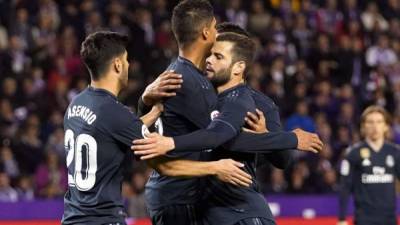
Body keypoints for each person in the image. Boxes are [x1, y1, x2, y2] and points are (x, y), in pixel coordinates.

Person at [63, 30, 250, 225]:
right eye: (126, 60)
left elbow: (107, 132)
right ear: (117, 65)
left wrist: (152, 113)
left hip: (72, 217)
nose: (128, 65)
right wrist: (215, 167)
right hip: (102, 219)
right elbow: (165, 165)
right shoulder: (115, 112)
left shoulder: (76, 104)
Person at [134, 32, 323, 225]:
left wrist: (277, 136)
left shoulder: (250, 102)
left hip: (242, 208)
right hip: (206, 209)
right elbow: (175, 127)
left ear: (238, 66)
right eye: (209, 54)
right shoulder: (200, 94)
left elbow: (275, 157)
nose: (209, 60)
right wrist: (145, 99)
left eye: (218, 56)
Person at [338, 106, 400, 225]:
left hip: (389, 219)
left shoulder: (395, 152)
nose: (375, 126)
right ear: (363, 127)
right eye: (370, 122)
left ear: (386, 126)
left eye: (379, 122)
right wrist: (342, 219)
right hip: (364, 220)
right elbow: (344, 187)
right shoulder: (353, 153)